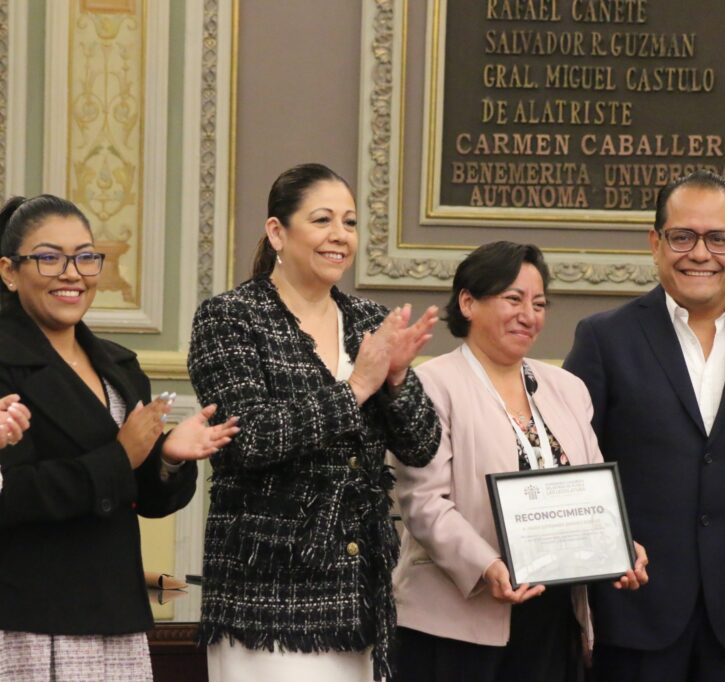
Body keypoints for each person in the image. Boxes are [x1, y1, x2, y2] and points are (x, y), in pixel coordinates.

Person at [563, 170, 725, 681]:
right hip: (634, 606)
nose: (700, 253)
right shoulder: (604, 339)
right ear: (656, 244)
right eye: (682, 237)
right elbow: (572, 467)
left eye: (718, 239)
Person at [187, 163, 441, 682]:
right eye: (322, 220)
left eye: (349, 223)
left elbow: (422, 445)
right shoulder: (231, 318)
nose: (339, 237)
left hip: (359, 597)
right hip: (268, 597)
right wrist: (356, 389)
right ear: (277, 231)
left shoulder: (369, 320)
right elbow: (249, 439)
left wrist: (395, 379)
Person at [0, 194, 238, 681]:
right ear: (9, 271)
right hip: (31, 616)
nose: (72, 273)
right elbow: (14, 493)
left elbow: (145, 497)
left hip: (116, 611)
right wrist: (120, 456)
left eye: (86, 257)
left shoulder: (121, 366)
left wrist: (168, 458)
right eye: (49, 257)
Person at [391, 241, 648, 682]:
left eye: (539, 303)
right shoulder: (432, 386)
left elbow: (594, 490)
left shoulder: (567, 388)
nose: (529, 315)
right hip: (458, 619)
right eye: (513, 299)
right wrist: (486, 565)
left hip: (551, 615)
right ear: (468, 302)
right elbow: (424, 501)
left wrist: (622, 545)